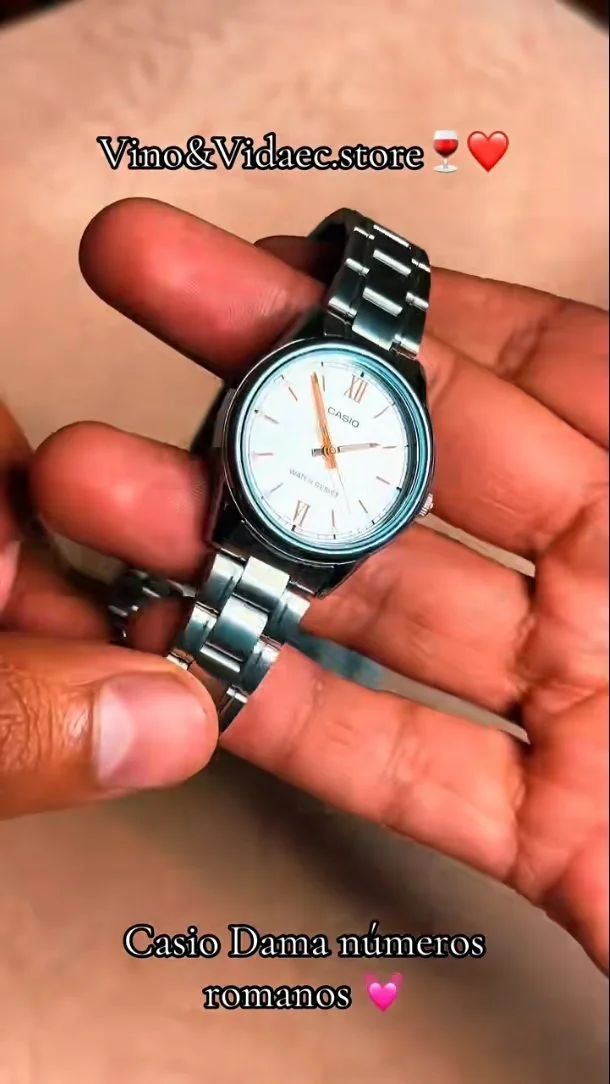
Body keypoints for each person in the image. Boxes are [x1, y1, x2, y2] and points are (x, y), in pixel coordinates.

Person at [0, 198, 607, 975]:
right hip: (261, 513)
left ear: (411, 496)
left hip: (311, 538)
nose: (329, 454)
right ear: (243, 406)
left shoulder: (392, 466)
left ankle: (231, 645)